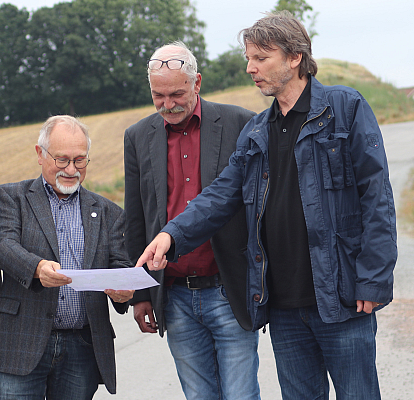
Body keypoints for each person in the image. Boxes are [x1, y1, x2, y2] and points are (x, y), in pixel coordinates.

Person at [137, 12, 397, 400]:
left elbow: (377, 198)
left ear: (294, 57)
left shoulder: (344, 108)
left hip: (341, 299)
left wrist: (373, 280)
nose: (250, 68)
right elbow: (220, 195)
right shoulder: (257, 131)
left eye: (261, 57)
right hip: (283, 307)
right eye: (248, 58)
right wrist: (171, 236)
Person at [123, 42, 260, 399]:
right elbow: (137, 216)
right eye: (159, 95)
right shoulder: (137, 136)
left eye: (177, 93)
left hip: (228, 289)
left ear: (197, 82)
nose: (168, 104)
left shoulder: (240, 124)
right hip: (175, 295)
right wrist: (141, 293)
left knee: (241, 394)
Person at [0, 115, 134, 400]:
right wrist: (35, 268)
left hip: (82, 346)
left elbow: (119, 264)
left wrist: (122, 290)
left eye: (80, 160)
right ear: (40, 154)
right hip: (21, 341)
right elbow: (1, 245)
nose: (71, 169)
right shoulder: (13, 197)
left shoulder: (109, 212)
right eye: (62, 160)